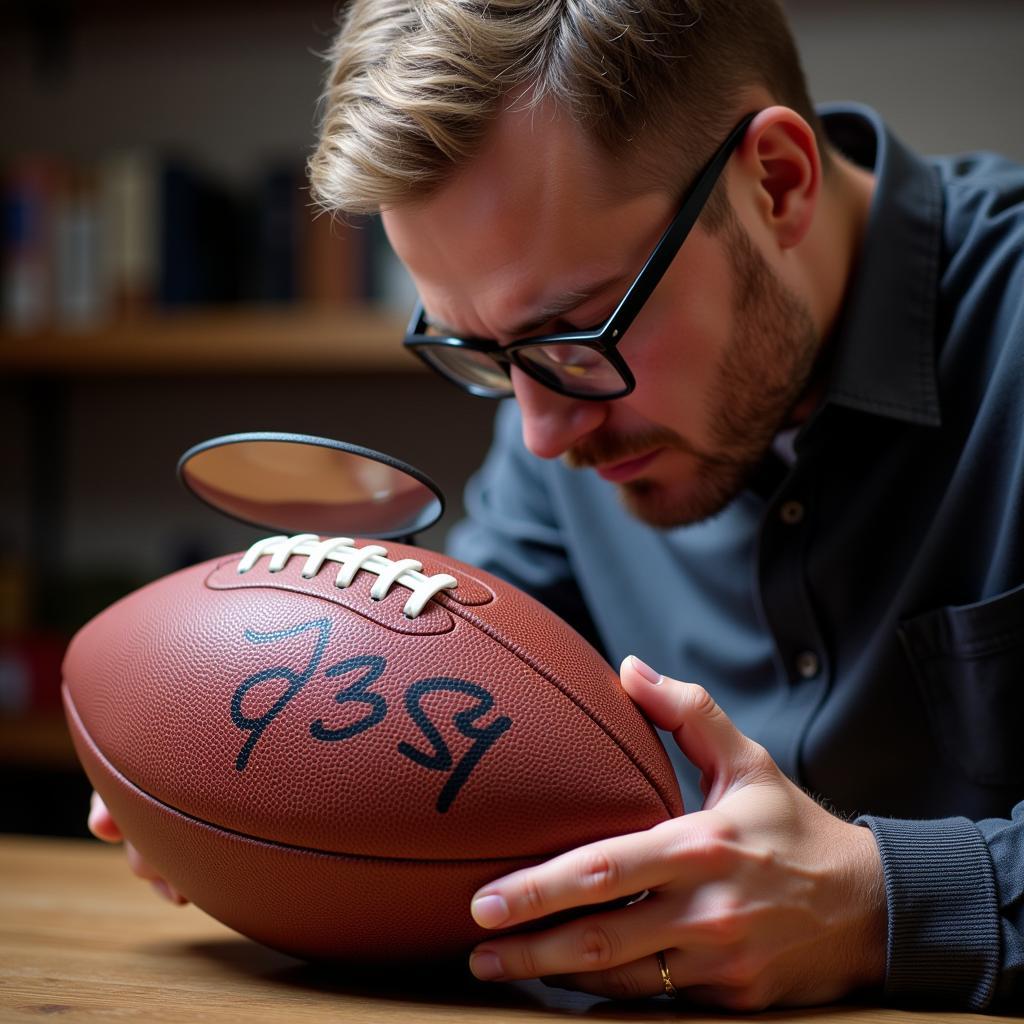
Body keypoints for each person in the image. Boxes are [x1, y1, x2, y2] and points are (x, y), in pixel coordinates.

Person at [90, 0, 1024, 1011]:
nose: (541, 433)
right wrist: (250, 810)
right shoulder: (562, 408)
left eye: (578, 331)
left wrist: (878, 900)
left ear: (777, 183)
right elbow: (450, 744)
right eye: (480, 353)